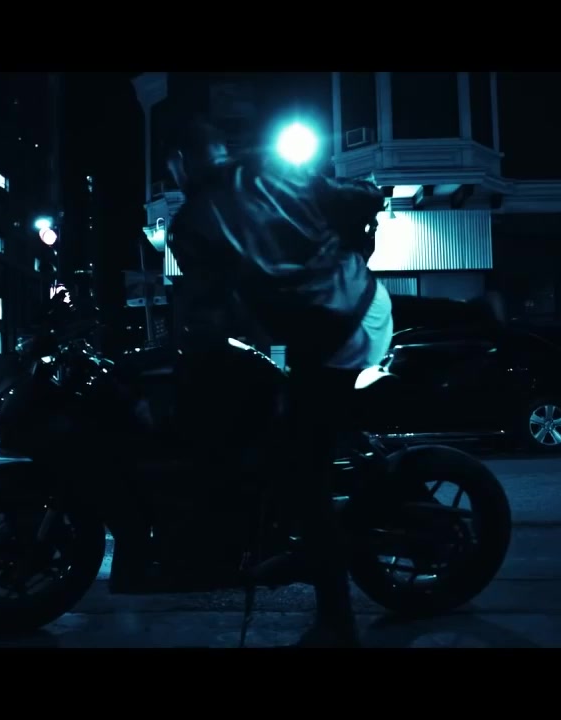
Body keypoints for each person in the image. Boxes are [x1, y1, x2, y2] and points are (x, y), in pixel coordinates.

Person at [164, 119, 500, 647]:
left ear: (180, 164)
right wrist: (349, 238)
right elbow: (359, 195)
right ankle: (471, 314)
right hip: (358, 302)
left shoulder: (191, 223)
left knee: (303, 473)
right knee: (286, 421)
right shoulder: (265, 169)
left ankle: (336, 621)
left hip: (330, 331)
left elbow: (206, 301)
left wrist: (188, 345)